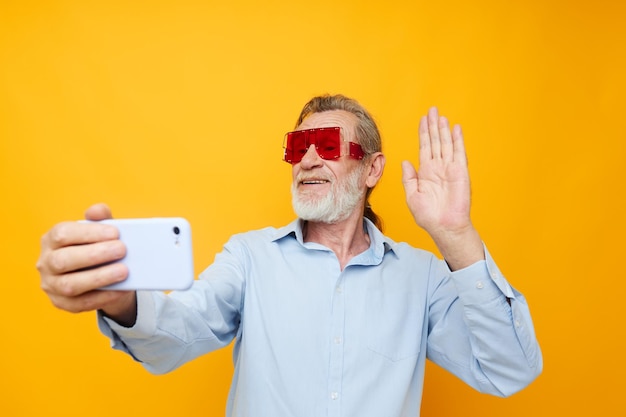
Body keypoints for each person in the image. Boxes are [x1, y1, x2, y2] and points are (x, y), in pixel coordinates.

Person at [37, 94, 542, 417]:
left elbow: (509, 371)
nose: (308, 158)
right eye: (297, 146)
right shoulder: (250, 257)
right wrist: (122, 301)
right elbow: (178, 334)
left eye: (325, 142)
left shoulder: (423, 278)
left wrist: (455, 235)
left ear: (372, 169)